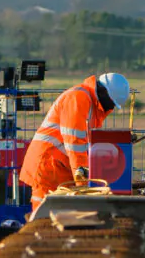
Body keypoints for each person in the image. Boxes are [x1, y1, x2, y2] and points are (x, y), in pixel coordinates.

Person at [18, 72, 129, 205]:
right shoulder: (79, 98)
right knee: (45, 217)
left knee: (62, 217)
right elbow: (75, 144)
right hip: (48, 166)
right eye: (111, 102)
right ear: (102, 91)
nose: (111, 108)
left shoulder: (91, 105)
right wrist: (83, 184)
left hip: (59, 166)